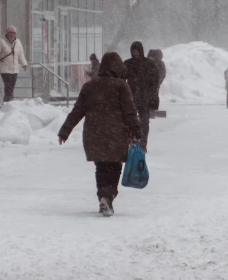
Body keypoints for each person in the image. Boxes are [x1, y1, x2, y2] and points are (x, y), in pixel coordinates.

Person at [58, 53, 142, 217]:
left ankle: (103, 196)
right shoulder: (121, 86)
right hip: (116, 134)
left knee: (101, 167)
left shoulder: (89, 86)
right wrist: (136, 131)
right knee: (114, 167)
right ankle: (108, 196)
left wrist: (65, 130)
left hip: (94, 134)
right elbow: (129, 112)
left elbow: (77, 111)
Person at [124, 41, 160, 152]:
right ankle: (133, 143)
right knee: (131, 122)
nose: (135, 53)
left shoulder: (148, 64)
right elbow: (121, 79)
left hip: (144, 99)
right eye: (133, 51)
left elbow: (154, 83)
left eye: (137, 51)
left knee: (144, 123)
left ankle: (143, 144)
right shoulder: (127, 64)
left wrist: (154, 98)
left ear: (141, 51)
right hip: (132, 99)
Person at [0, 25, 28, 103]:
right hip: (4, 68)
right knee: (8, 86)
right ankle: (8, 101)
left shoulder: (18, 42)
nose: (12, 35)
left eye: (14, 33)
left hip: (15, 69)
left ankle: (9, 101)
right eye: (11, 33)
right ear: (7, 33)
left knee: (12, 86)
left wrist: (24, 64)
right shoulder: (1, 41)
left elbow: (21, 55)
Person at [147, 49, 167, 115]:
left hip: (152, 82)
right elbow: (163, 74)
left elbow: (162, 74)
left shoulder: (148, 62)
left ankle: (151, 109)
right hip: (152, 82)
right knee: (154, 95)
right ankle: (153, 109)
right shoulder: (160, 63)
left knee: (151, 95)